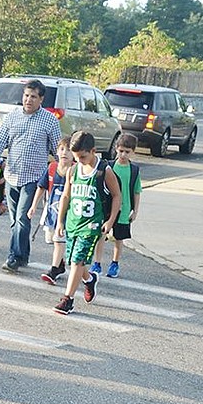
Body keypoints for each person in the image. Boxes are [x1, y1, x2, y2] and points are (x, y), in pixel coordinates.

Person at [0, 79, 63, 273]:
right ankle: (22, 255)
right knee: (15, 220)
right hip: (11, 175)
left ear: (41, 99)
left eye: (33, 97)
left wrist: (64, 173)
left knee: (22, 218)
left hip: (34, 179)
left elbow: (58, 149)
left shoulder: (49, 120)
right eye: (26, 95)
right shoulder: (13, 116)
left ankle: (13, 257)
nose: (29, 100)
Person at [52, 131, 121, 315]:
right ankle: (89, 279)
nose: (80, 160)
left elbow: (116, 196)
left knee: (77, 260)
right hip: (73, 223)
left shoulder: (103, 171)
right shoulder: (73, 170)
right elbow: (66, 195)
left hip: (91, 226)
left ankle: (68, 300)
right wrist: (60, 221)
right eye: (76, 157)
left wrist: (110, 221)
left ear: (93, 151)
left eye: (83, 156)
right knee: (74, 262)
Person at [91, 134, 142, 278]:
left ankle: (115, 263)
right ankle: (97, 263)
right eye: (121, 151)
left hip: (124, 208)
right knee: (101, 235)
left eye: (127, 151)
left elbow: (137, 191)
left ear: (133, 151)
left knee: (119, 238)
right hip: (107, 208)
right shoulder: (109, 167)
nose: (123, 154)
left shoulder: (134, 170)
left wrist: (135, 210)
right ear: (116, 149)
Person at [37, 138, 74, 285]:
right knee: (52, 239)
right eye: (62, 149)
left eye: (69, 150)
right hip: (52, 210)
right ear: (57, 151)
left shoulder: (75, 170)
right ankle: (60, 265)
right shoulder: (52, 168)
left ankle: (53, 270)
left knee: (59, 241)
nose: (65, 153)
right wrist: (34, 207)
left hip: (68, 212)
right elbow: (42, 186)